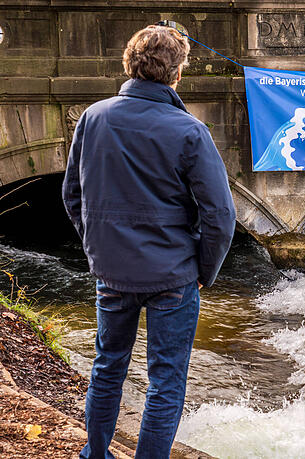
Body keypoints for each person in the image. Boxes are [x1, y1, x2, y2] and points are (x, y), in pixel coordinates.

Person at [62, 25, 236, 458]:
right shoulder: (189, 130)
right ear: (178, 73)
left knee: (107, 367)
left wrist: (98, 249)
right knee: (165, 381)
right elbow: (219, 215)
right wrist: (205, 270)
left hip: (112, 272)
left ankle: (95, 454)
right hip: (173, 275)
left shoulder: (93, 118)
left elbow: (73, 196)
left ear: (129, 65)